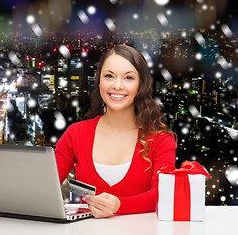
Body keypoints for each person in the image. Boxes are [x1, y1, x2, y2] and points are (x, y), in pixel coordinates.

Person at [55, 44, 176, 218]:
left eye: (128, 78)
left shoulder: (161, 140)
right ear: (99, 82)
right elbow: (45, 186)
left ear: (141, 84)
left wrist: (119, 205)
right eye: (109, 76)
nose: (117, 86)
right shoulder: (75, 133)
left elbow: (164, 195)